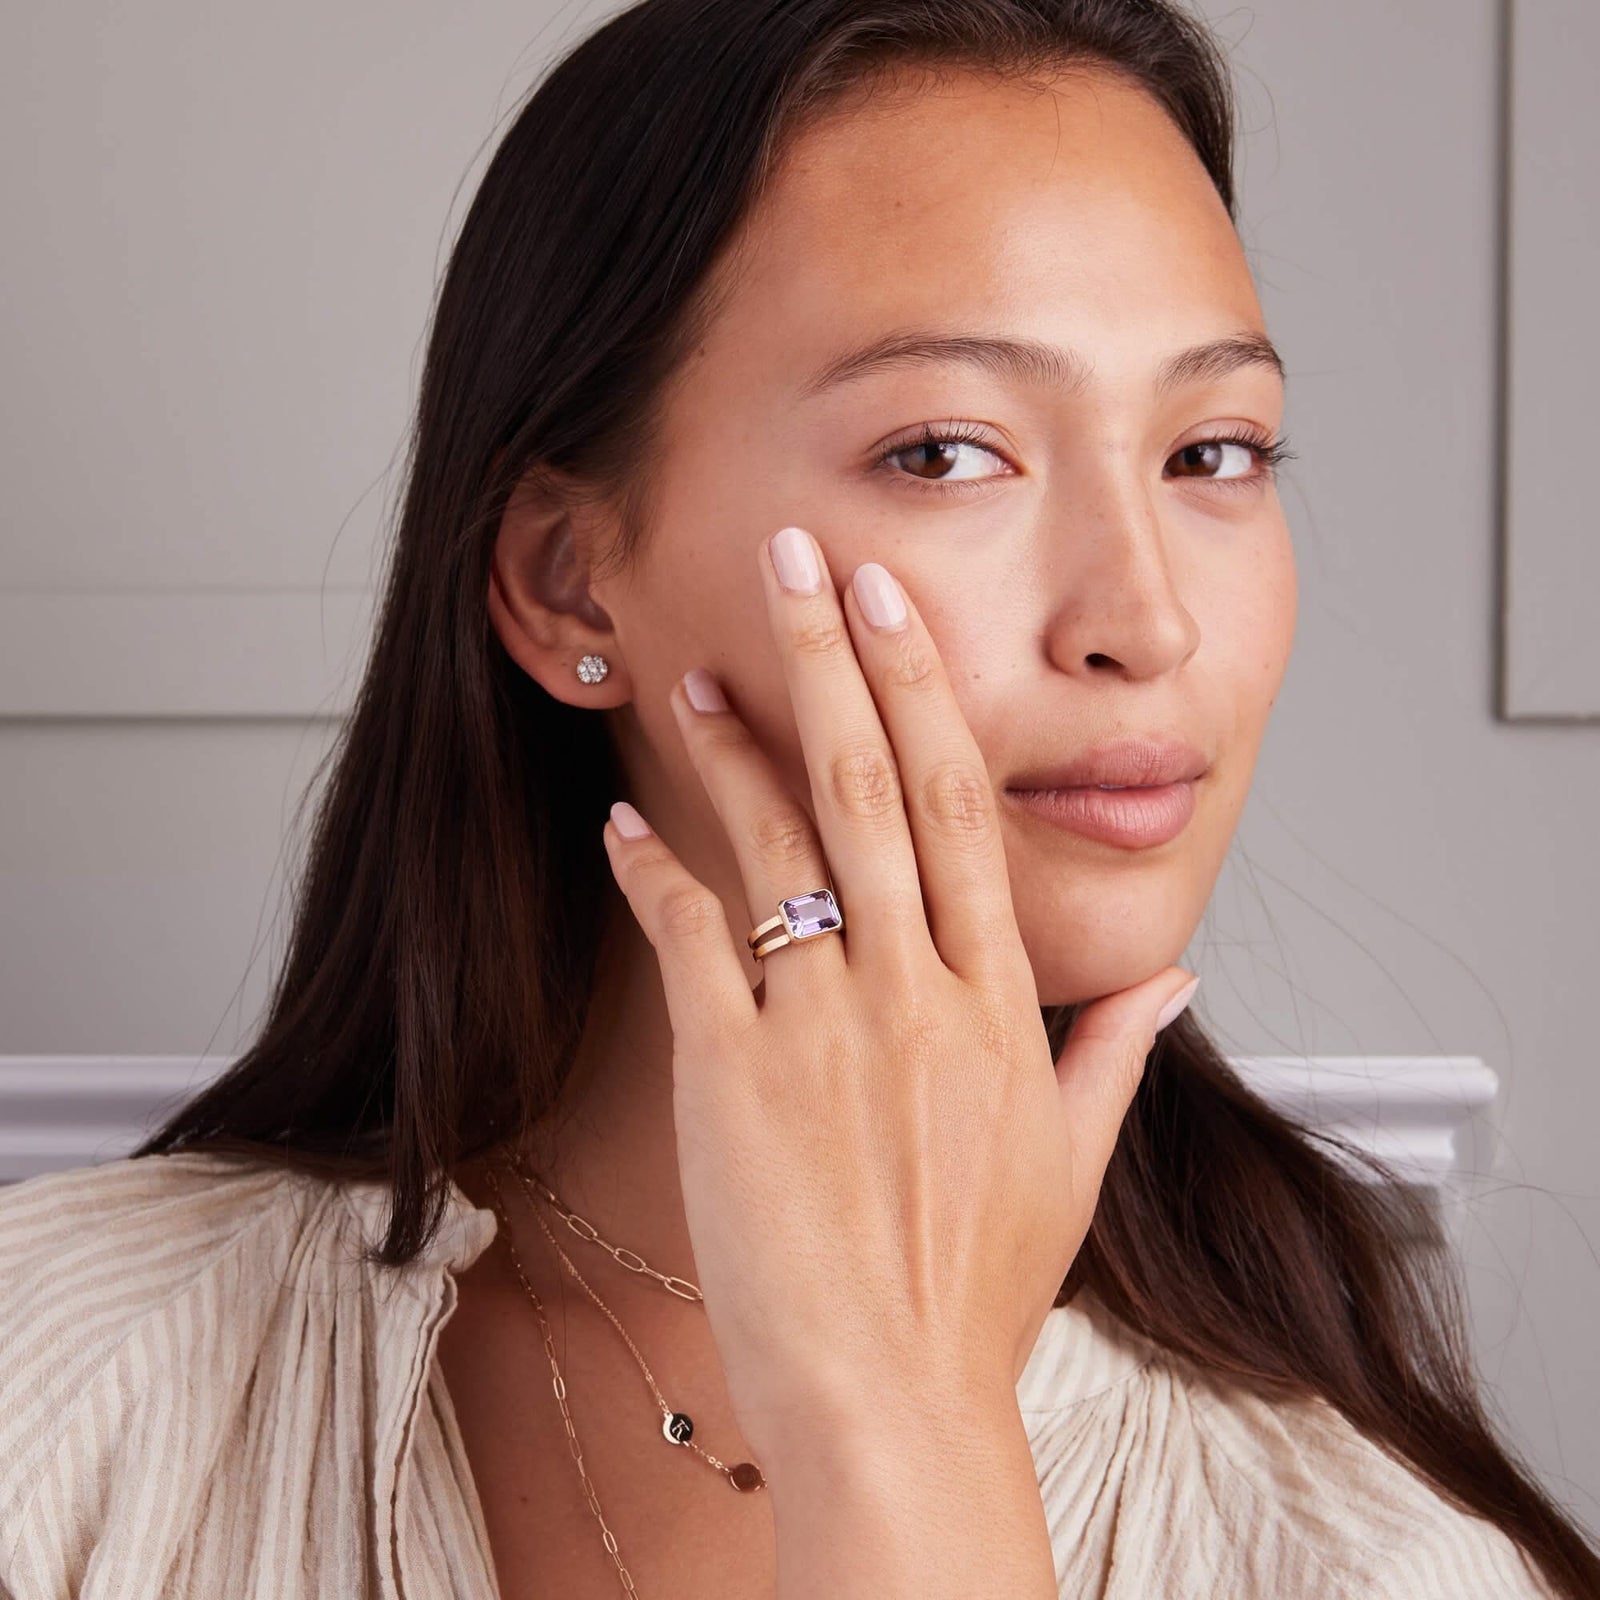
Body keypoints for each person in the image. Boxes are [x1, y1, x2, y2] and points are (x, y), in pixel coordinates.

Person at [1, 1, 1595, 1596]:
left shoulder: (1369, 1557)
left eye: (1216, 452)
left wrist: (908, 1434)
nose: (1148, 618)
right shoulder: (70, 1392)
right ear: (569, 585)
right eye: (948, 452)